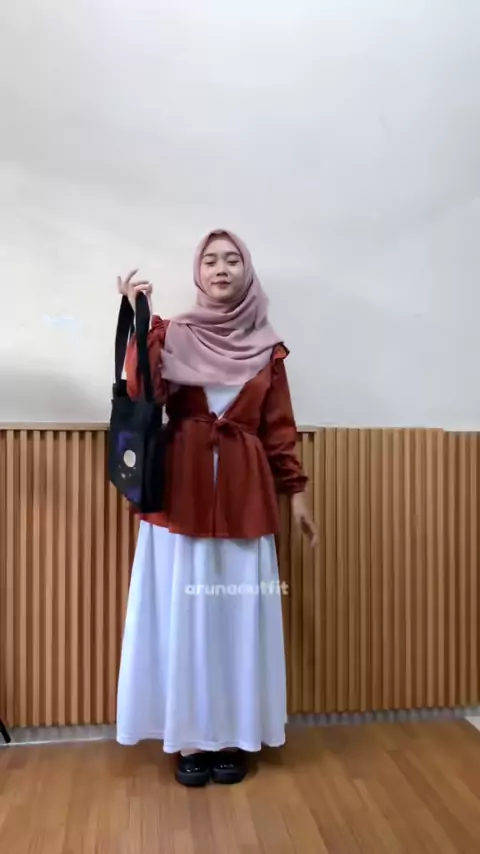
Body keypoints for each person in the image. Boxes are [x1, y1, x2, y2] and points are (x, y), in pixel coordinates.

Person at [115, 229, 317, 787]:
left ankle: (231, 735)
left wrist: (297, 493)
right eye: (210, 260)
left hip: (244, 493)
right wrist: (138, 320)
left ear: (246, 271)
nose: (221, 268)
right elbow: (142, 392)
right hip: (180, 493)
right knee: (183, 615)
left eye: (232, 260)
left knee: (235, 617)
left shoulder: (268, 348)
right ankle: (188, 738)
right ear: (198, 272)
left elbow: (278, 429)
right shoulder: (172, 334)